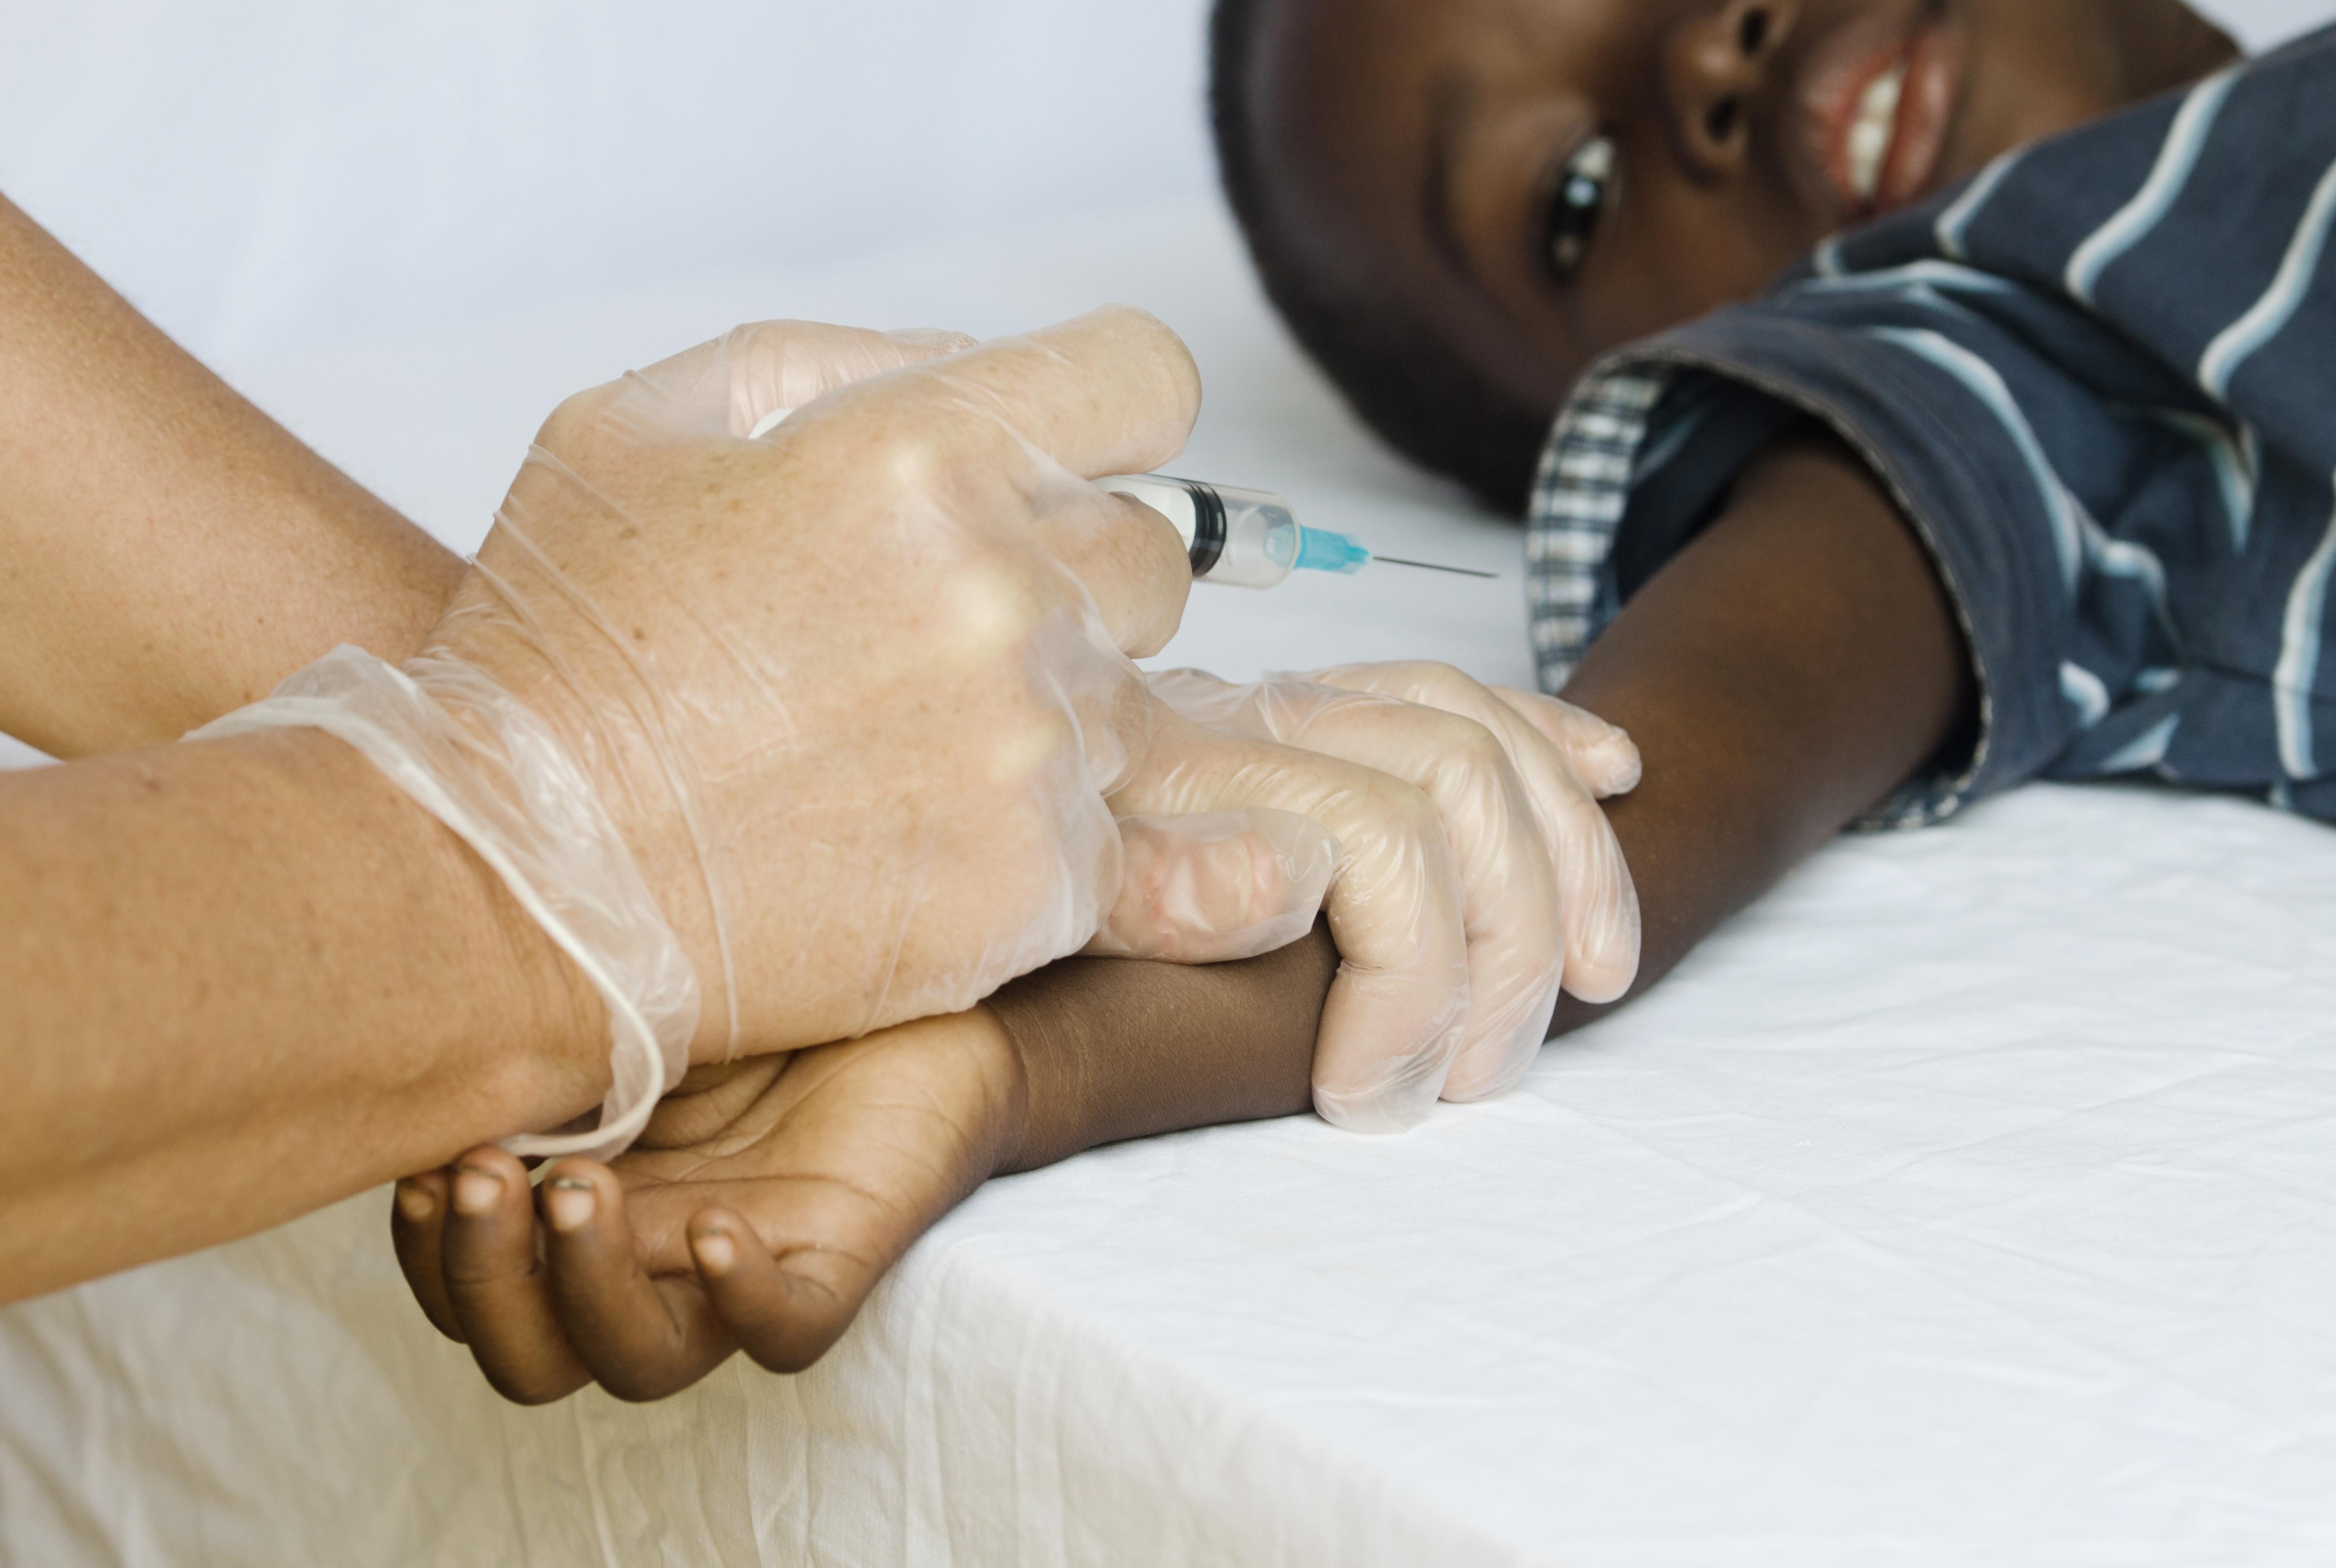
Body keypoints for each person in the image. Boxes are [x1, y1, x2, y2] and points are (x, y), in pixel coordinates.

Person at [396, 0, 2336, 1405]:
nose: (1703, 62)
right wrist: (1025, 1055)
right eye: (1572, 201)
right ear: (1668, 394)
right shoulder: (1983, 351)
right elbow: (1552, 841)